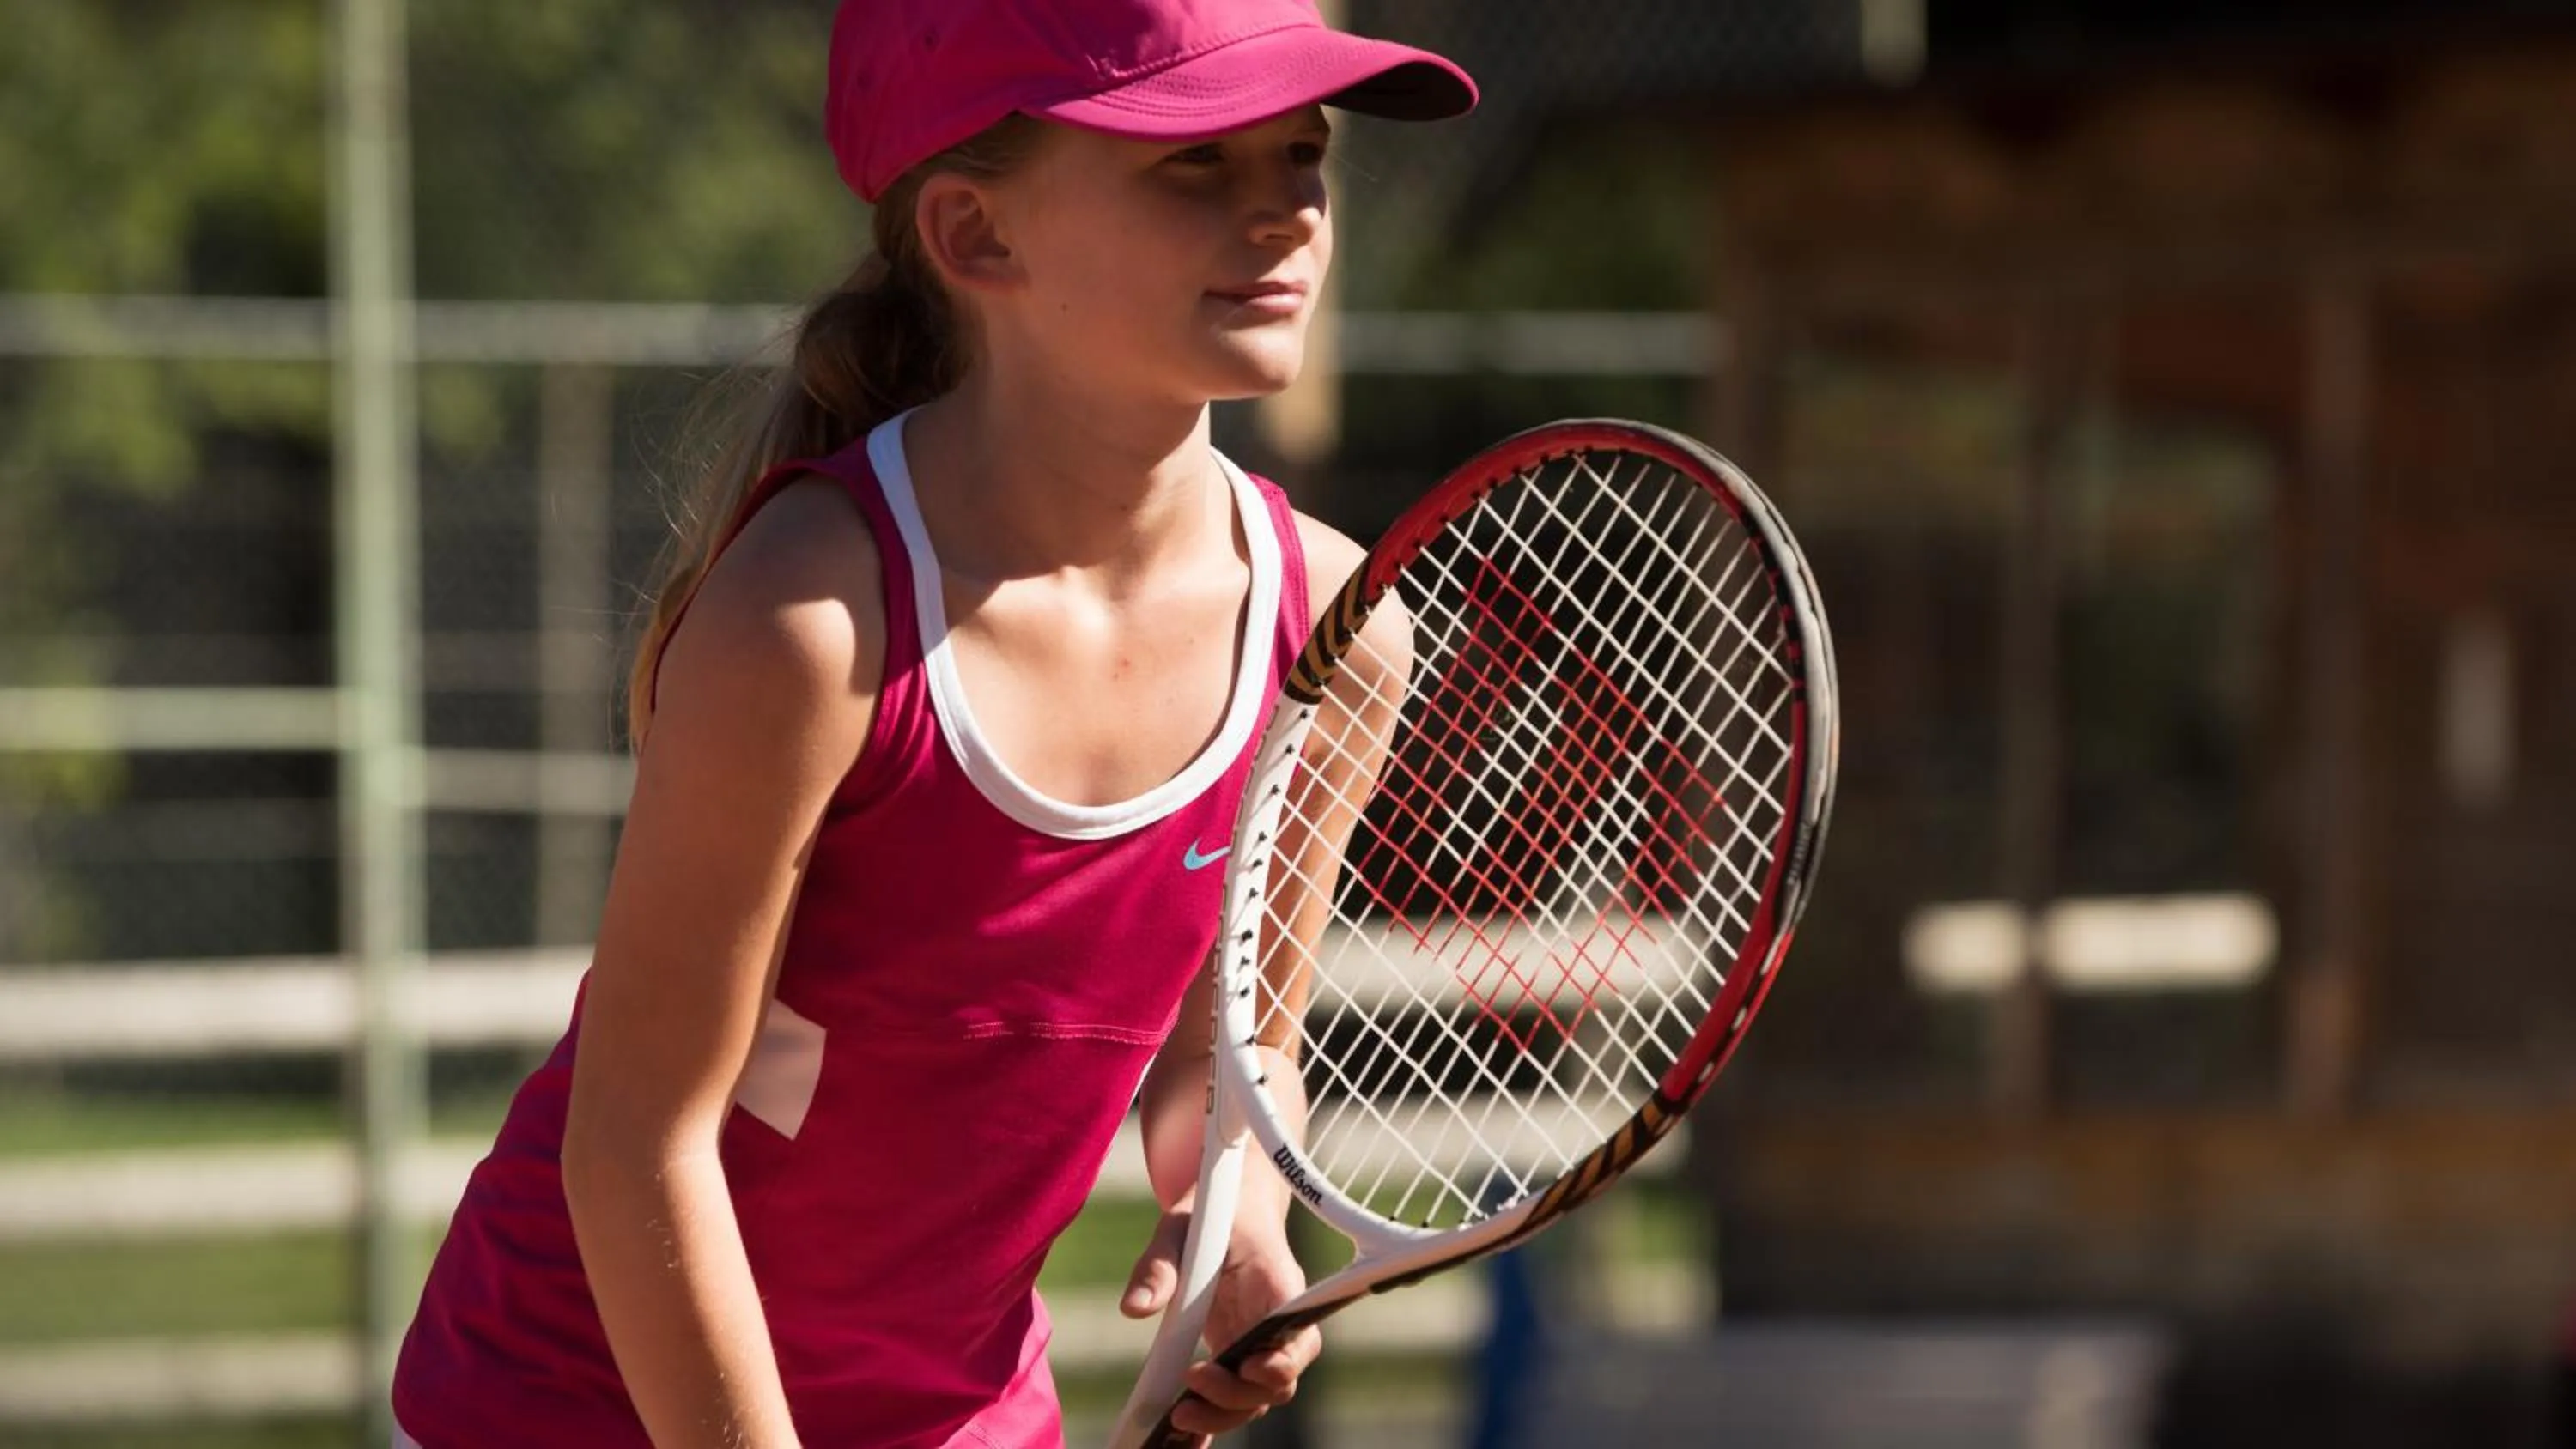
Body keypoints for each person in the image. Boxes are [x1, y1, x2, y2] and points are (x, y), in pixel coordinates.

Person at [389, 2, 1475, 1446]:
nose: (1279, 208)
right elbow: (641, 1145)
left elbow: (1230, 1056)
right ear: (976, 238)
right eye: (1193, 163)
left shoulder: (1339, 630)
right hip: (567, 1409)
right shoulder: (813, 622)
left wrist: (1239, 1216)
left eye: (1302, 153)